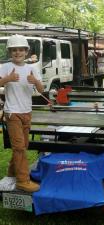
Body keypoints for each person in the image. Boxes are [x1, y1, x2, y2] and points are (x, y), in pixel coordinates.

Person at [0, 34, 44, 192]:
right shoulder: (4, 68)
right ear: (10, 52)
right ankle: (23, 180)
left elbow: (41, 90)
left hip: (27, 112)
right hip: (12, 113)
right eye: (14, 50)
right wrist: (8, 78)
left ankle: (12, 172)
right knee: (19, 147)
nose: (17, 53)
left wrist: (36, 82)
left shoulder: (32, 68)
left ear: (26, 52)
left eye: (20, 50)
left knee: (22, 146)